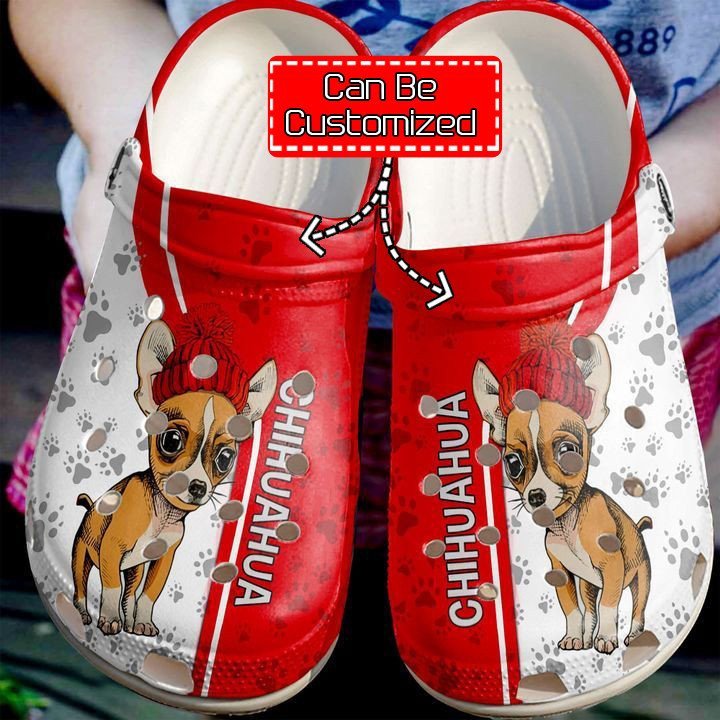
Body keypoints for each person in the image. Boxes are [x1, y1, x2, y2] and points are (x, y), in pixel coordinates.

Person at [8, 0, 720, 547]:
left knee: (545, 598)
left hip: (599, 317)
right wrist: (131, 130)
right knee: (192, 584)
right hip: (202, 297)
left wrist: (646, 217)